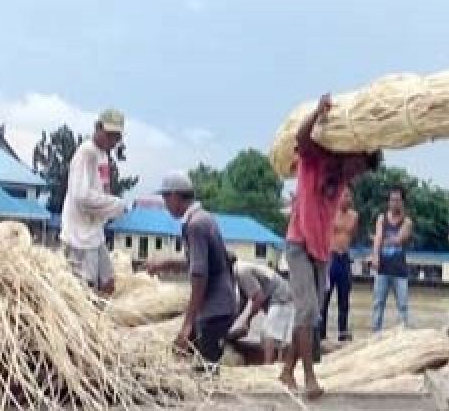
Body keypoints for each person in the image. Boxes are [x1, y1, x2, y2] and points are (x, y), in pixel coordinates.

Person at [281, 93, 380, 398]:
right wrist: (317, 112)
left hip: (321, 251)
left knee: (311, 314)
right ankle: (309, 377)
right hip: (299, 243)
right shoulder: (316, 159)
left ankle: (286, 371)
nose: (356, 174)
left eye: (361, 172)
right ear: (348, 154)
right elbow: (301, 136)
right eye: (357, 167)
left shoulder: (342, 184)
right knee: (308, 310)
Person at [148, 173, 238, 368]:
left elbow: (200, 274)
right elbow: (202, 261)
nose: (165, 204)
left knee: (205, 373)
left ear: (174, 196)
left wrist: (188, 322)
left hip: (215, 310)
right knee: (200, 368)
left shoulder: (195, 226)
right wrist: (166, 264)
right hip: (221, 307)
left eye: (165, 198)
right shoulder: (204, 218)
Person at [61, 109, 128, 295]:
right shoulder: (86, 153)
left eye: (116, 137)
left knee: (108, 283)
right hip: (79, 236)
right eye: (109, 135)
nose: (112, 141)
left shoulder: (103, 155)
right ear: (98, 128)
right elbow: (81, 196)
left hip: (94, 232)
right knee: (85, 289)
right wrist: (114, 205)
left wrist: (109, 206)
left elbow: (102, 188)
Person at [231, 256, 295, 364]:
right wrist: (234, 321)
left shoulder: (241, 271)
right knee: (279, 334)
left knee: (268, 332)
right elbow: (244, 301)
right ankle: (279, 362)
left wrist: (247, 320)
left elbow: (258, 297)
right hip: (280, 294)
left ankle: (268, 366)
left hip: (280, 296)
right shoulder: (241, 270)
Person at [369, 186, 412, 333]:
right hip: (382, 269)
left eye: (398, 200)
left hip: (400, 271)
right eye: (392, 200)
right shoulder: (382, 218)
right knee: (378, 304)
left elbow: (399, 239)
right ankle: (375, 336)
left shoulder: (407, 222)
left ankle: (403, 335)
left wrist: (378, 240)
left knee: (403, 305)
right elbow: (379, 239)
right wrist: (375, 255)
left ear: (403, 202)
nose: (394, 203)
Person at [320, 189, 358, 342]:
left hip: (344, 258)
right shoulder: (330, 211)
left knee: (344, 297)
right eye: (344, 195)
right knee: (325, 297)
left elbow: (353, 235)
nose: (347, 198)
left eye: (349, 195)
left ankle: (342, 331)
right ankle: (321, 333)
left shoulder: (354, 216)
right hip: (331, 257)